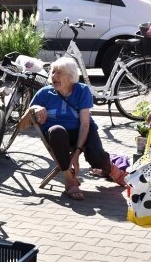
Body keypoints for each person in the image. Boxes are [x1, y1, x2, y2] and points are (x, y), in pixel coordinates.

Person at [28, 57, 127, 200]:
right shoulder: (44, 92)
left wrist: (77, 151)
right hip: (58, 136)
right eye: (53, 72)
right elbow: (29, 110)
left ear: (71, 76)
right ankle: (69, 180)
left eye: (59, 73)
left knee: (97, 159)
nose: (54, 76)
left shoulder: (82, 90)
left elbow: (85, 124)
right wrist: (36, 108)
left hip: (82, 130)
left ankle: (111, 169)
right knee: (56, 131)